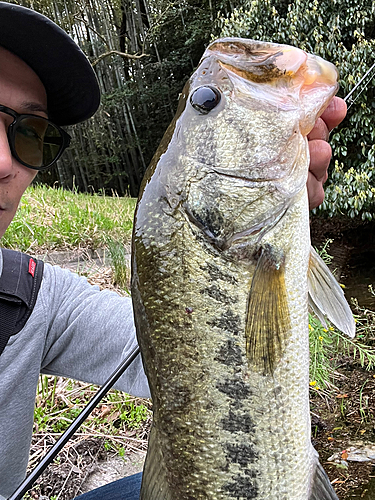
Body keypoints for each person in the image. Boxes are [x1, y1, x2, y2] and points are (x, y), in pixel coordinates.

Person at [0, 3, 346, 500]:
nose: (3, 162)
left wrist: (278, 224)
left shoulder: (34, 298)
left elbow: (183, 357)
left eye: (29, 133)